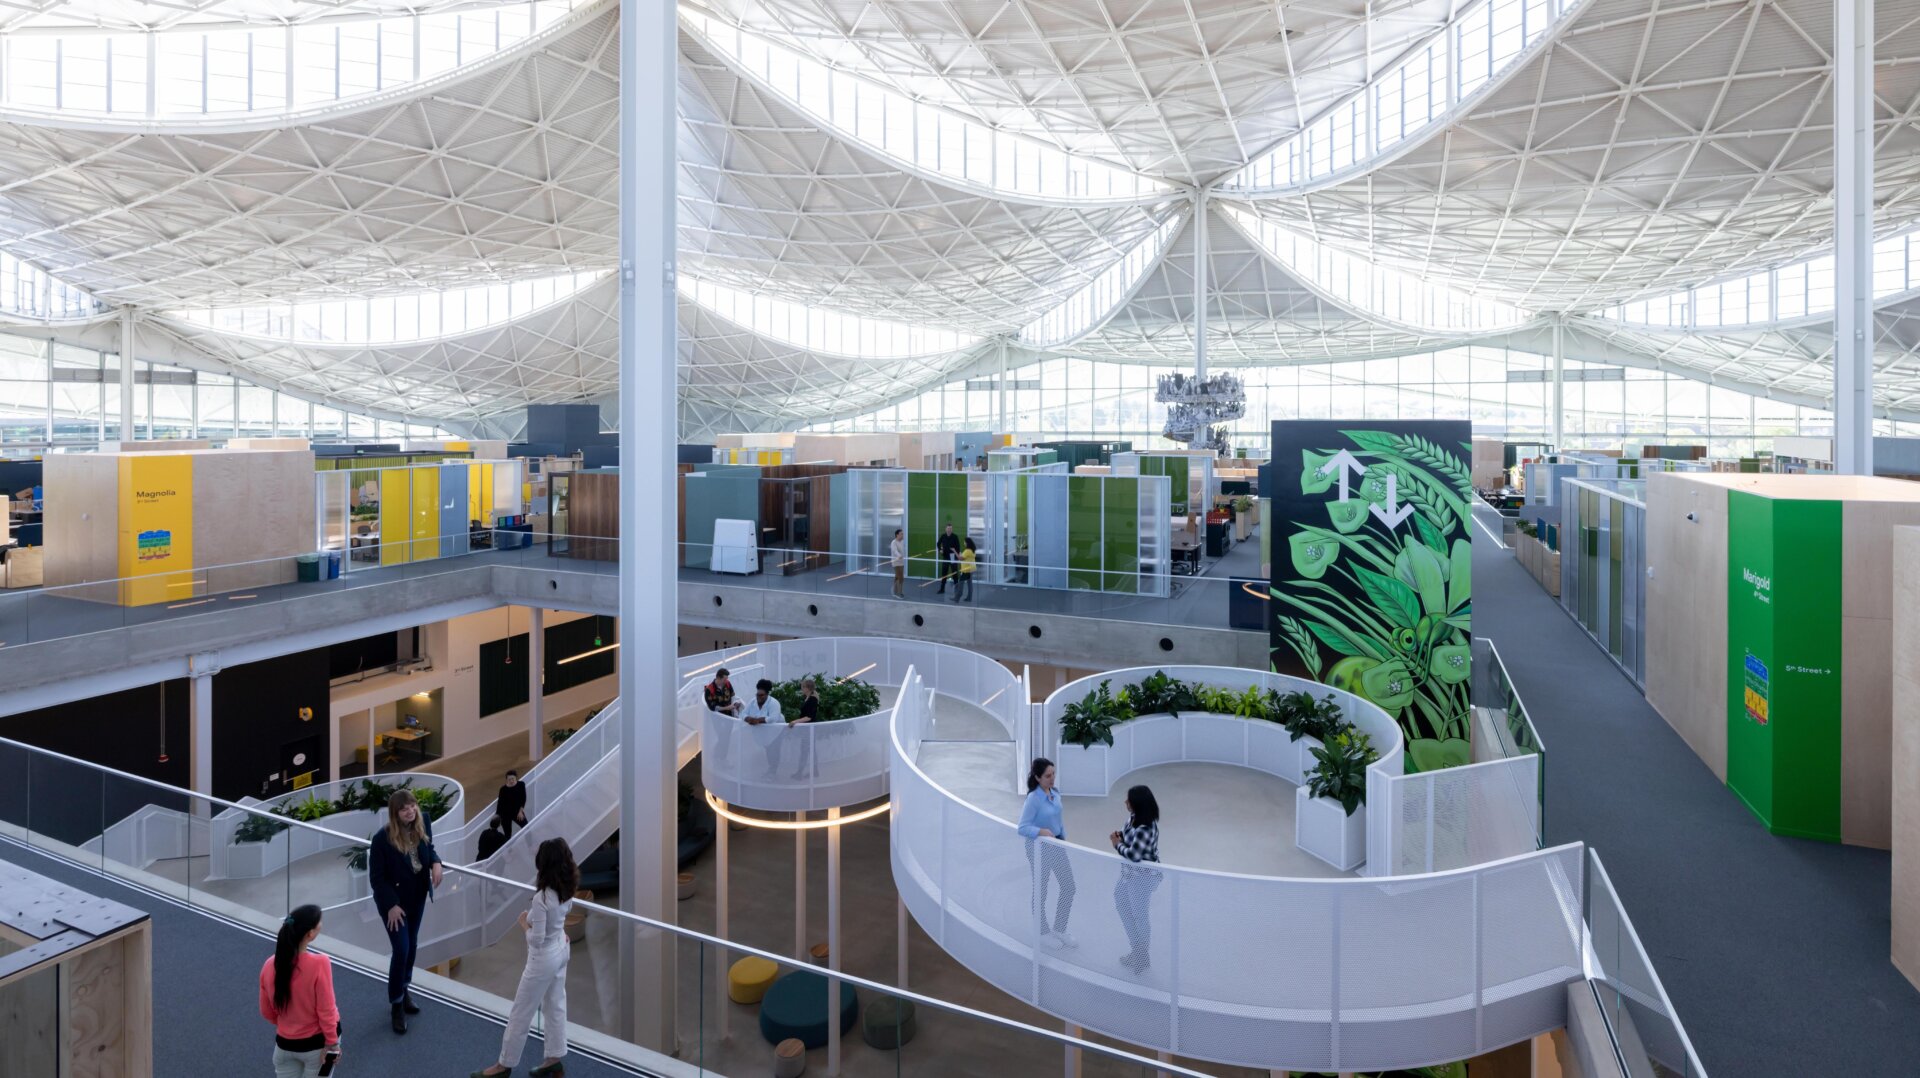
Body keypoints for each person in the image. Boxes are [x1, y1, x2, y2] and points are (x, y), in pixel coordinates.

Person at [472, 838, 578, 1078]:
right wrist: (547, 927)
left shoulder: (542, 899)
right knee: (556, 1005)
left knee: (521, 1011)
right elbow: (559, 917)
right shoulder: (567, 888)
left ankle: (503, 1065)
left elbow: (536, 940)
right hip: (561, 949)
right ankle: (554, 1058)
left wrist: (523, 924)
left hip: (544, 958)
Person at [368, 789, 443, 1034]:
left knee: (411, 945)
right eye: (404, 808)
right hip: (395, 905)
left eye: (412, 806)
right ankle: (396, 1005)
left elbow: (429, 849)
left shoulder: (423, 824)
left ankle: (404, 987)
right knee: (401, 949)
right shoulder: (382, 839)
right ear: (395, 813)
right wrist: (390, 905)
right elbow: (377, 879)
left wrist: (436, 862)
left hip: (417, 897)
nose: (410, 811)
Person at [259, 904, 341, 1077]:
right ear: (310, 934)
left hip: (284, 1046)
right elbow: (326, 1010)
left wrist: (290, 1024)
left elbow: (266, 1011)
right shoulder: (320, 963)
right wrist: (332, 1043)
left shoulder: (269, 965)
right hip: (316, 1047)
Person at [1016, 757, 1075, 948]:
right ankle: (1042, 932)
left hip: (1057, 845)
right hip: (1038, 848)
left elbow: (1059, 819)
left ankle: (1059, 928)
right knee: (1041, 890)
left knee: (1069, 886)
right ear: (1037, 777)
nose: (1052, 779)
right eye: (1048, 776)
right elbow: (1022, 827)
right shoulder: (1033, 799)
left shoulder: (1055, 793)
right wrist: (1041, 832)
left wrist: (1063, 838)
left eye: (1053, 774)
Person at [1108, 785, 1162, 974]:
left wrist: (1117, 844)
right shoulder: (1134, 818)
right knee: (1121, 902)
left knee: (1140, 916)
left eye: (1129, 800)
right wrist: (1121, 836)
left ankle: (1141, 955)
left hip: (1142, 879)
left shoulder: (1146, 827)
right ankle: (1138, 950)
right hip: (1129, 875)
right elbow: (1130, 841)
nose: (1125, 802)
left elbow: (1133, 855)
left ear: (1137, 804)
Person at [496, 770, 528, 838]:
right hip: (505, 815)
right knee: (507, 835)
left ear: (516, 778)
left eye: (512, 779)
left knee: (526, 827)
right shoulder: (503, 789)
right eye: (509, 779)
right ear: (506, 779)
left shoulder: (521, 785)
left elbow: (523, 799)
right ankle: (508, 848)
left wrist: (520, 811)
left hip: (517, 812)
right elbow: (500, 803)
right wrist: (498, 816)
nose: (511, 781)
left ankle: (530, 845)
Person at [935, 524, 960, 595]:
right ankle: (942, 589)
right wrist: (940, 550)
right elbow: (938, 544)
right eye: (948, 528)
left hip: (952, 557)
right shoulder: (943, 536)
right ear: (946, 529)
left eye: (951, 528)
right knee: (944, 573)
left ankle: (957, 590)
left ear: (952, 529)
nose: (949, 530)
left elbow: (958, 548)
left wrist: (956, 556)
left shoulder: (955, 537)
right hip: (945, 557)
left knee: (954, 573)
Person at [952, 537, 977, 603]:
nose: (964, 543)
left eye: (964, 542)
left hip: (966, 570)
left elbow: (960, 558)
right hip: (971, 569)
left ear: (967, 543)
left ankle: (956, 598)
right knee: (969, 584)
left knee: (960, 584)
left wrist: (954, 551)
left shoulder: (967, 551)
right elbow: (966, 557)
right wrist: (961, 554)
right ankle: (969, 598)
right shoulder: (972, 550)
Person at [889, 528, 905, 598]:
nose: (902, 535)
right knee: (900, 577)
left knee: (897, 577)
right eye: (901, 534)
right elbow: (895, 551)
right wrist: (899, 555)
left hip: (901, 562)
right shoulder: (893, 542)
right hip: (896, 563)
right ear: (897, 535)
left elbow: (902, 551)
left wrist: (902, 556)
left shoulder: (902, 542)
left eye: (902, 534)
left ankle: (894, 591)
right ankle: (899, 593)